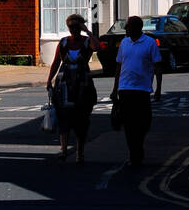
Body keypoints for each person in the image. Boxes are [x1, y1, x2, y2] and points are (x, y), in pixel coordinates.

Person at [46, 14, 101, 163]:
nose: (73, 30)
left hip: (83, 85)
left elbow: (97, 47)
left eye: (76, 27)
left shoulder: (87, 41)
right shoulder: (63, 42)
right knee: (64, 117)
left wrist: (87, 31)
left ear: (81, 27)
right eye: (71, 27)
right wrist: (49, 80)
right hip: (64, 85)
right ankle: (63, 150)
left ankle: (79, 153)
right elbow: (56, 62)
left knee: (82, 119)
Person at [111, 15, 163, 169]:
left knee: (144, 123)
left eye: (127, 26)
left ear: (136, 28)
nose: (126, 29)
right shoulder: (124, 43)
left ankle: (137, 148)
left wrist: (158, 88)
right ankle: (135, 154)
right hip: (125, 90)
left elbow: (158, 66)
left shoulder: (150, 43)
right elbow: (119, 66)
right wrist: (115, 89)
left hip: (142, 90)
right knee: (128, 125)